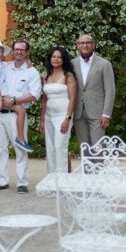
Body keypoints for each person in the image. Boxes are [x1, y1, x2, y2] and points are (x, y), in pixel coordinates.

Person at [0, 40, 41, 193]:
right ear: (12, 51)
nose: (19, 52)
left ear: (27, 52)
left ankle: (22, 183)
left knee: (20, 148)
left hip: (16, 115)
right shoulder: (5, 67)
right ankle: (0, 181)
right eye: (16, 49)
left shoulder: (32, 72)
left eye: (22, 50)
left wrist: (14, 101)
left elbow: (34, 95)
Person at [71, 33, 115, 148]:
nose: (85, 45)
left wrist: (106, 114)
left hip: (98, 113)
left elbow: (110, 91)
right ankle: (87, 167)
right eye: (82, 43)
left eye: (88, 42)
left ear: (94, 45)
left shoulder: (104, 64)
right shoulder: (71, 64)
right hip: (78, 112)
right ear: (77, 45)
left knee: (98, 147)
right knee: (84, 147)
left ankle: (98, 167)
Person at [41, 46, 77, 174]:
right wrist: (42, 120)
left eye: (59, 57)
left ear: (63, 60)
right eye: (53, 57)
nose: (56, 59)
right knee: (50, 149)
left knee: (59, 146)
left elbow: (73, 98)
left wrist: (67, 119)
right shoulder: (46, 76)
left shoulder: (68, 75)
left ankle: (62, 179)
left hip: (63, 115)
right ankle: (51, 178)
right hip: (49, 116)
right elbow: (44, 100)